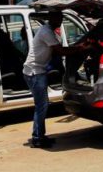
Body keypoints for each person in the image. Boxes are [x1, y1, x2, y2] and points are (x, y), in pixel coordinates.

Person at [23, 12, 88, 148]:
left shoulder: (48, 31)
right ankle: (37, 138)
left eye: (61, 18)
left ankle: (40, 136)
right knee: (41, 105)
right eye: (58, 18)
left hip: (36, 71)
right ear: (51, 18)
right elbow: (60, 50)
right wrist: (80, 48)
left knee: (42, 105)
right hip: (35, 72)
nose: (60, 21)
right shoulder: (46, 31)